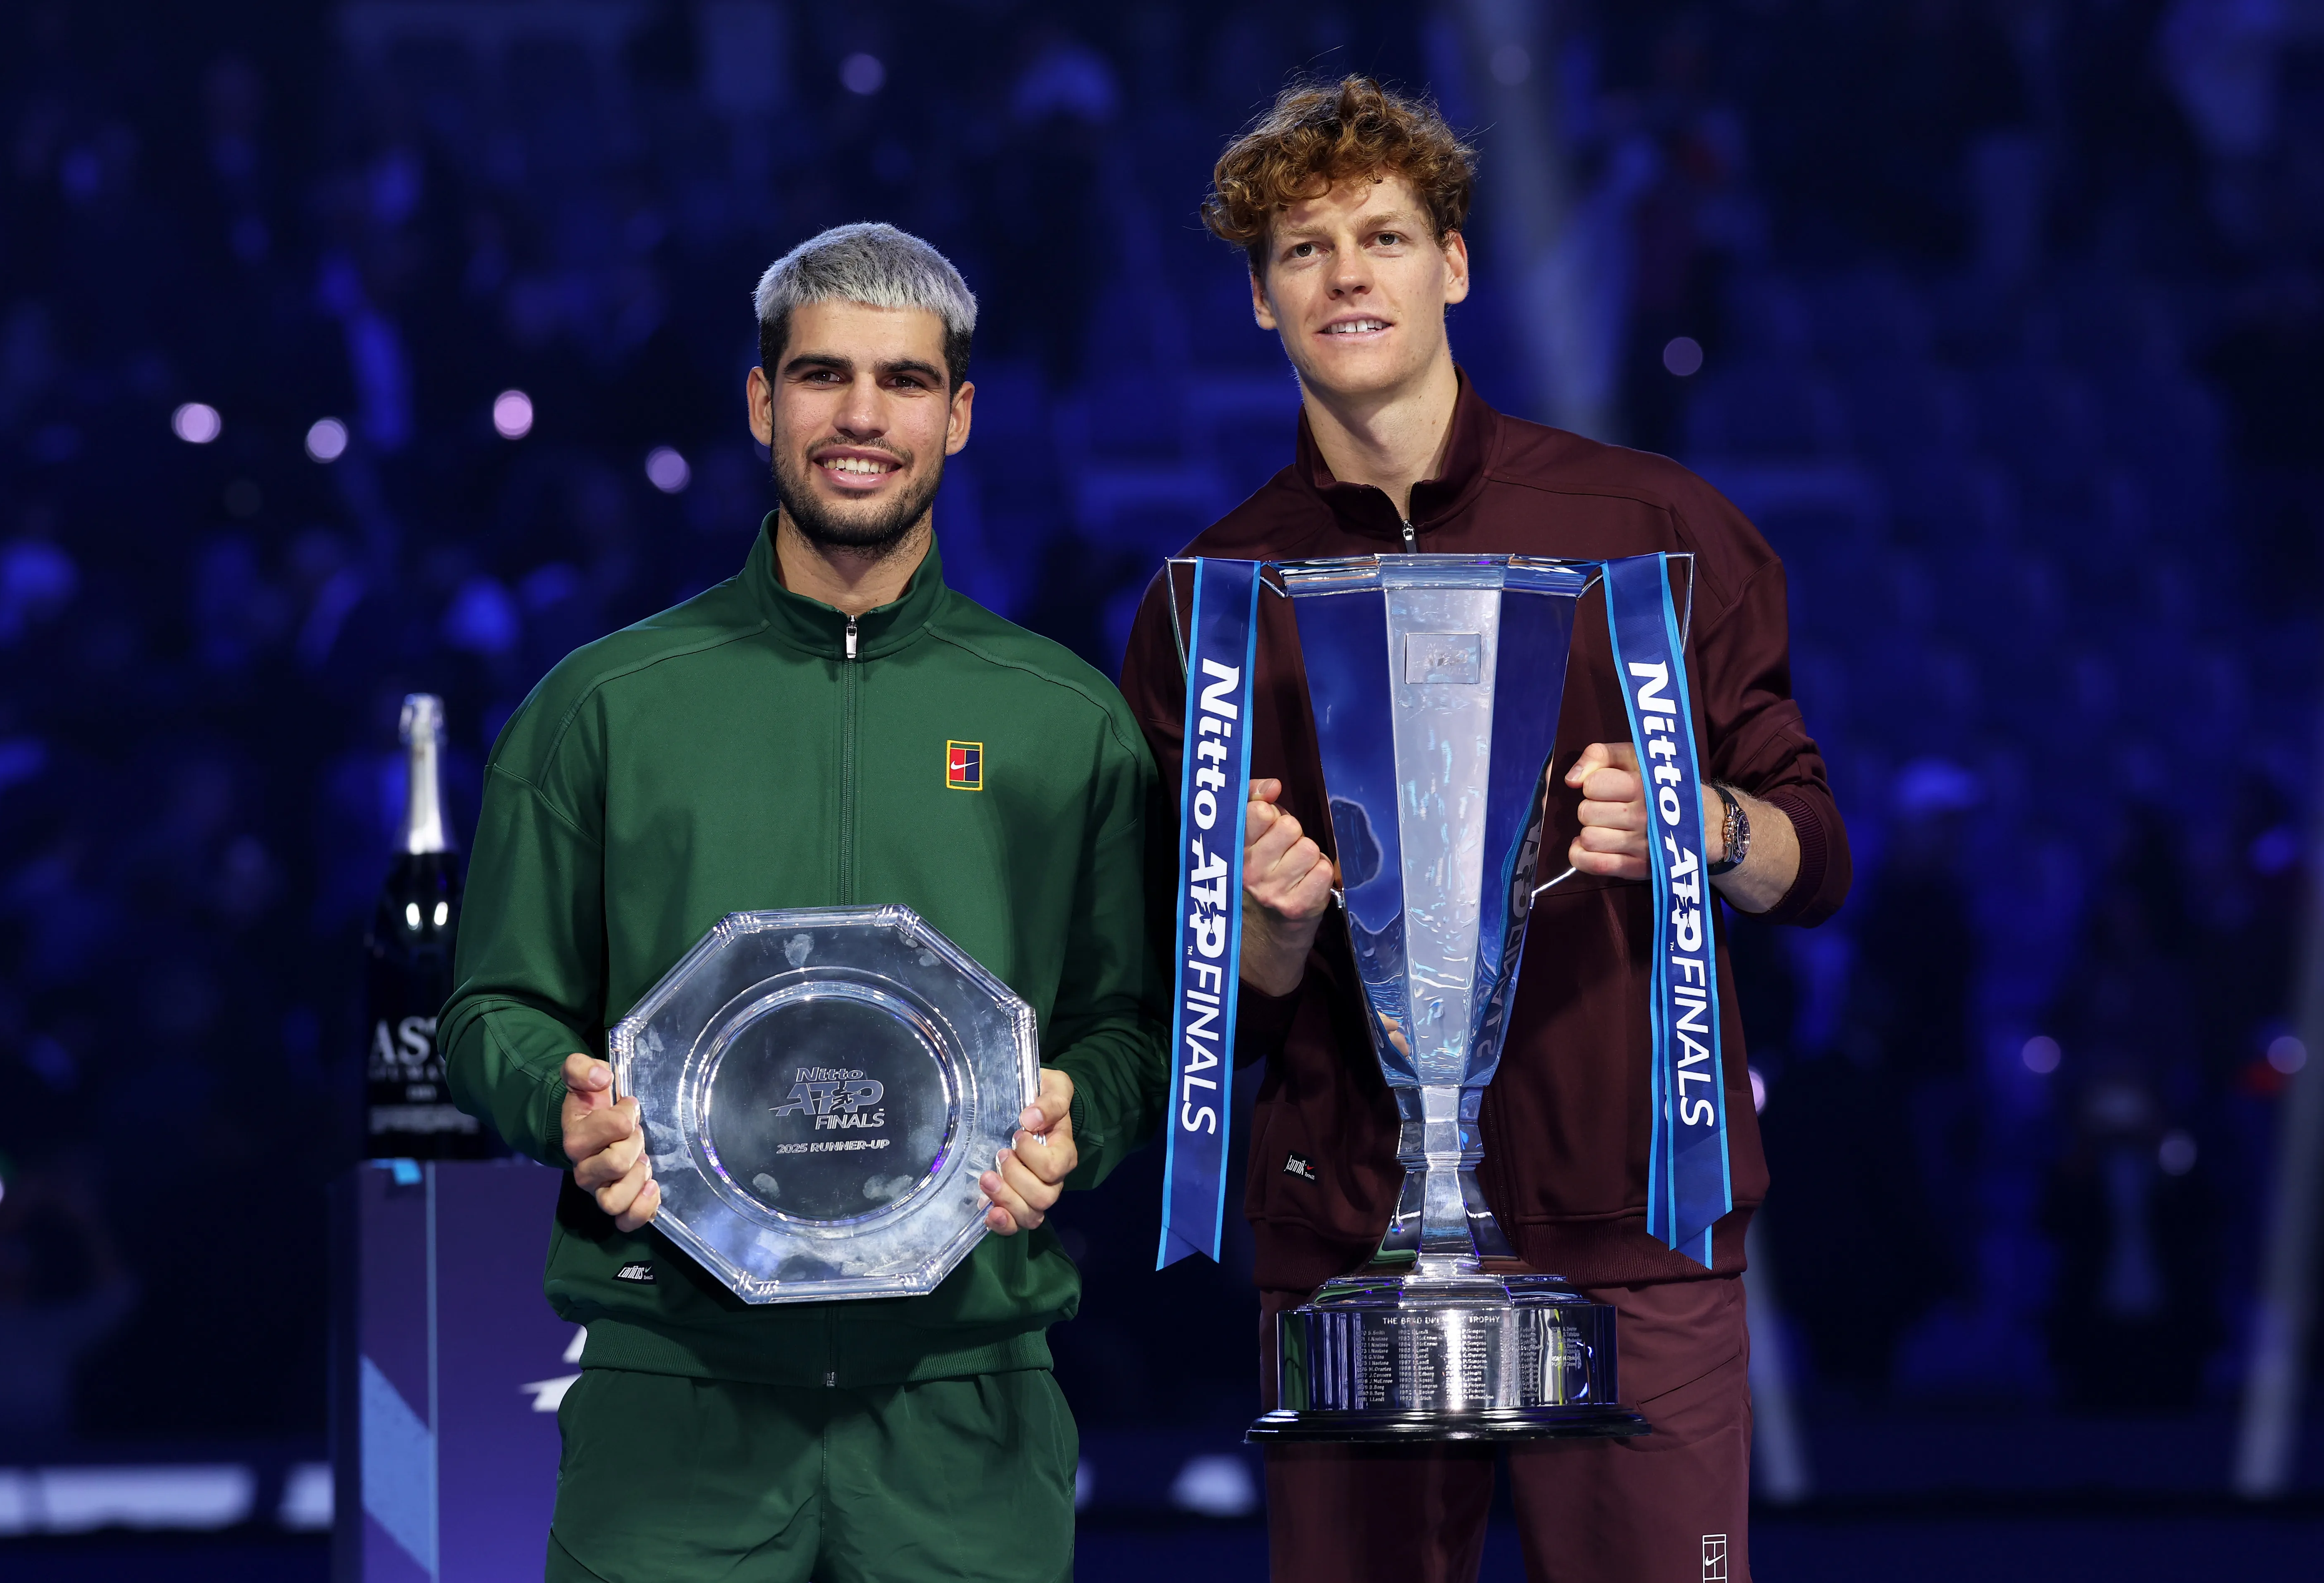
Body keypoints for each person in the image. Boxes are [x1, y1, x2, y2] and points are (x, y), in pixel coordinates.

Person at [1117, 80, 1852, 1583]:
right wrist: (1259, 934)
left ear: (1455, 264)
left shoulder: (1654, 532)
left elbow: (1815, 855)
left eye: (1383, 235)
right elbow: (1192, 1004)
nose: (1346, 274)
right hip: (1348, 1249)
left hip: (1632, 1222)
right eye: (1304, 248)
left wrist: (1701, 824)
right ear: (1261, 300)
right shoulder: (1211, 603)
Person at [444, 222, 1167, 1583]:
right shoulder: (600, 707)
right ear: (764, 401)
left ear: (957, 414)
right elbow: (494, 1005)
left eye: (902, 382)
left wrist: (1086, 1117)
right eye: (824, 375)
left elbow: (1128, 1024)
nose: (861, 417)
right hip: (674, 1402)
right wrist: (568, 1104)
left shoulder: (1067, 720)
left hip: (969, 1405)